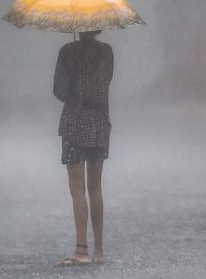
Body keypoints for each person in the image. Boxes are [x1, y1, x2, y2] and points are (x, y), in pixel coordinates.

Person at [53, 30, 113, 266]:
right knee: (95, 187)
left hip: (74, 124)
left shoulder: (67, 52)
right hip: (99, 122)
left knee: (77, 189)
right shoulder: (106, 52)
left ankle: (81, 250)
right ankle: (99, 250)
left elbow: (59, 91)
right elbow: (105, 80)